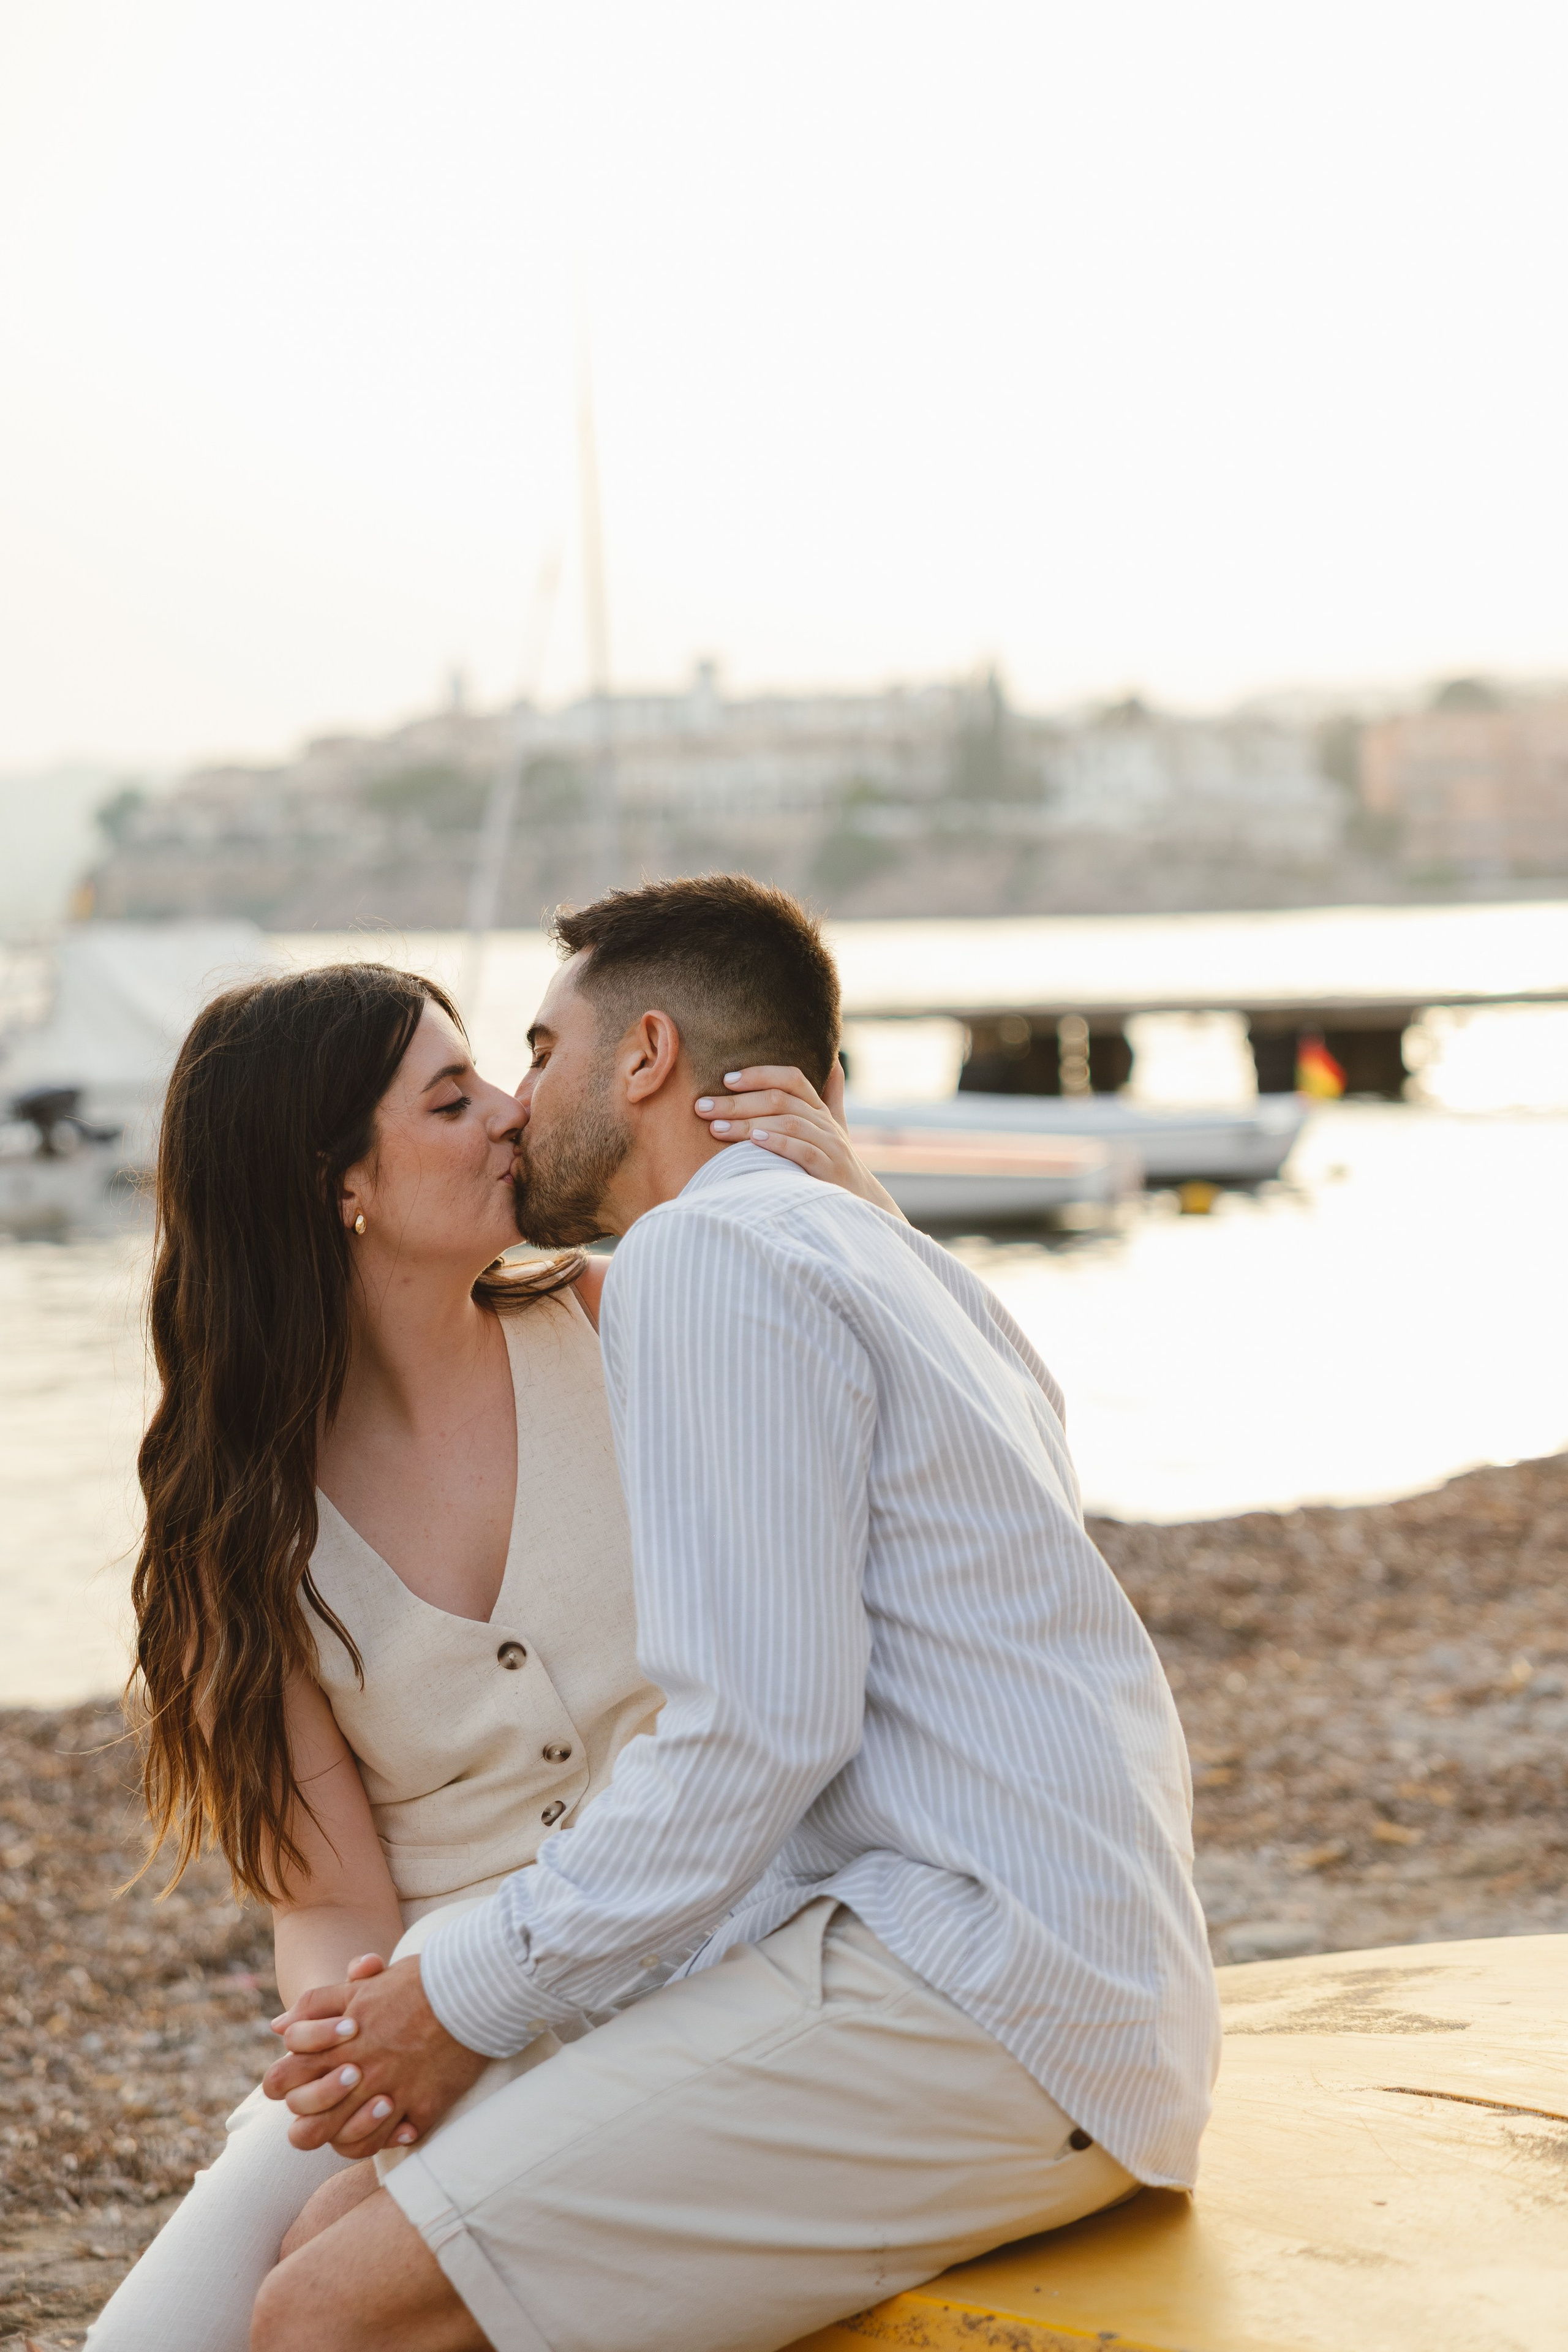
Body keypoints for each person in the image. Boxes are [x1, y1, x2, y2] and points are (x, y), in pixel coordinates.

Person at [256, 876, 1223, 2352]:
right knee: (342, 2232)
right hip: (1054, 1980)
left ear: (644, 1057)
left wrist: (465, 1994)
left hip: (982, 1999)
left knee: (327, 2313)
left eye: (537, 1049)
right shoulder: (857, 1242)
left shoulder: (700, 1258)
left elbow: (753, 1738)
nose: (521, 1103)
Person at [85, 958, 887, 2352]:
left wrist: (860, 1217)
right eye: (452, 1100)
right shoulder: (236, 1514)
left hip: (702, 1928)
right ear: (335, 1182)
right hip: (434, 1983)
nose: (517, 1112)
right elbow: (328, 1903)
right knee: (161, 2339)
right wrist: (378, 2066)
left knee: (333, 2290)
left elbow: (929, 1447)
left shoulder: (618, 1319)